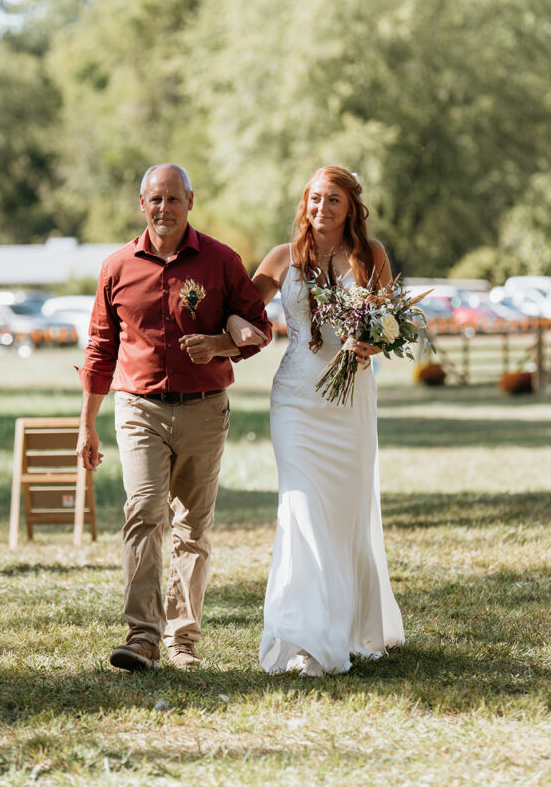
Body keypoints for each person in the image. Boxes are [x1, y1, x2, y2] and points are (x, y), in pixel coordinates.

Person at [76, 164, 272, 672]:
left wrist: (221, 345)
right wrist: (87, 423)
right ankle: (141, 637)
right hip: (138, 408)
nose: (164, 208)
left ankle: (181, 640)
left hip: (204, 410)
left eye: (173, 199)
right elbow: (100, 349)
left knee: (192, 526)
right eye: (155, 199)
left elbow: (259, 329)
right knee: (143, 511)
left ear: (191, 201)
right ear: (142, 203)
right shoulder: (117, 266)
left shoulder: (222, 261)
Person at [228, 166, 404, 676]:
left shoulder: (371, 256)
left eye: (333, 200)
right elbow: (242, 308)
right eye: (315, 198)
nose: (322, 208)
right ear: (305, 203)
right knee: (301, 510)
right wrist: (227, 325)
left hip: (350, 399)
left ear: (351, 207)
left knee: (345, 513)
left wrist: (375, 342)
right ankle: (304, 635)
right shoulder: (284, 259)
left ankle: (346, 627)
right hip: (296, 400)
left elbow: (389, 321)